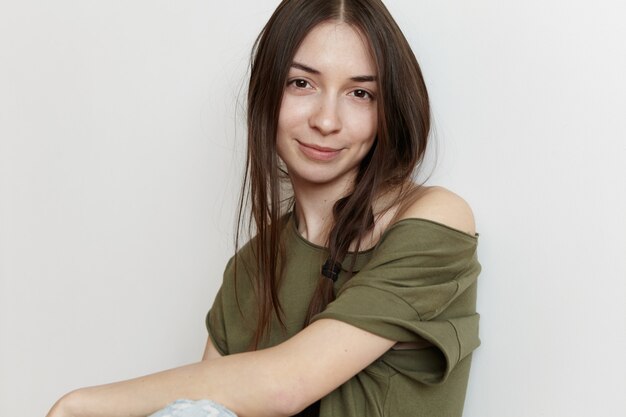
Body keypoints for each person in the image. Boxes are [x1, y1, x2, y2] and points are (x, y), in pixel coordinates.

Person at [46, 0, 480, 416]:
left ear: (388, 110)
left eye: (360, 93)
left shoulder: (433, 220)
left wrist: (79, 405)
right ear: (267, 92)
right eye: (302, 83)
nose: (326, 120)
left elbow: (286, 385)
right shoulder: (249, 268)